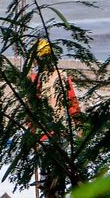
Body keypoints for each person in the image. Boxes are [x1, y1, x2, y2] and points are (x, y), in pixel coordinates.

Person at [29, 39, 81, 198]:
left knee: (46, 177)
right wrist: (79, 129)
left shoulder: (34, 80)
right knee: (60, 175)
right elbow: (73, 105)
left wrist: (32, 134)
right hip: (61, 134)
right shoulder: (63, 77)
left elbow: (31, 111)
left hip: (44, 135)